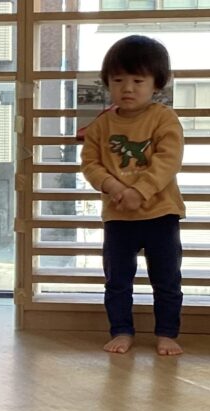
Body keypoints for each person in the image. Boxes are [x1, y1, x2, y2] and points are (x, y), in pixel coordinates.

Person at [81, 35, 185, 356]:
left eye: (138, 81)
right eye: (118, 80)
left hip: (161, 215)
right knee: (117, 281)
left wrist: (140, 191)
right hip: (118, 217)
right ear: (107, 83)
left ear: (157, 83)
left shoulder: (164, 118)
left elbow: (168, 160)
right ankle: (121, 330)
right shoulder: (101, 125)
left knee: (166, 280)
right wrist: (114, 188)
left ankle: (167, 334)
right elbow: (90, 164)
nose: (127, 88)